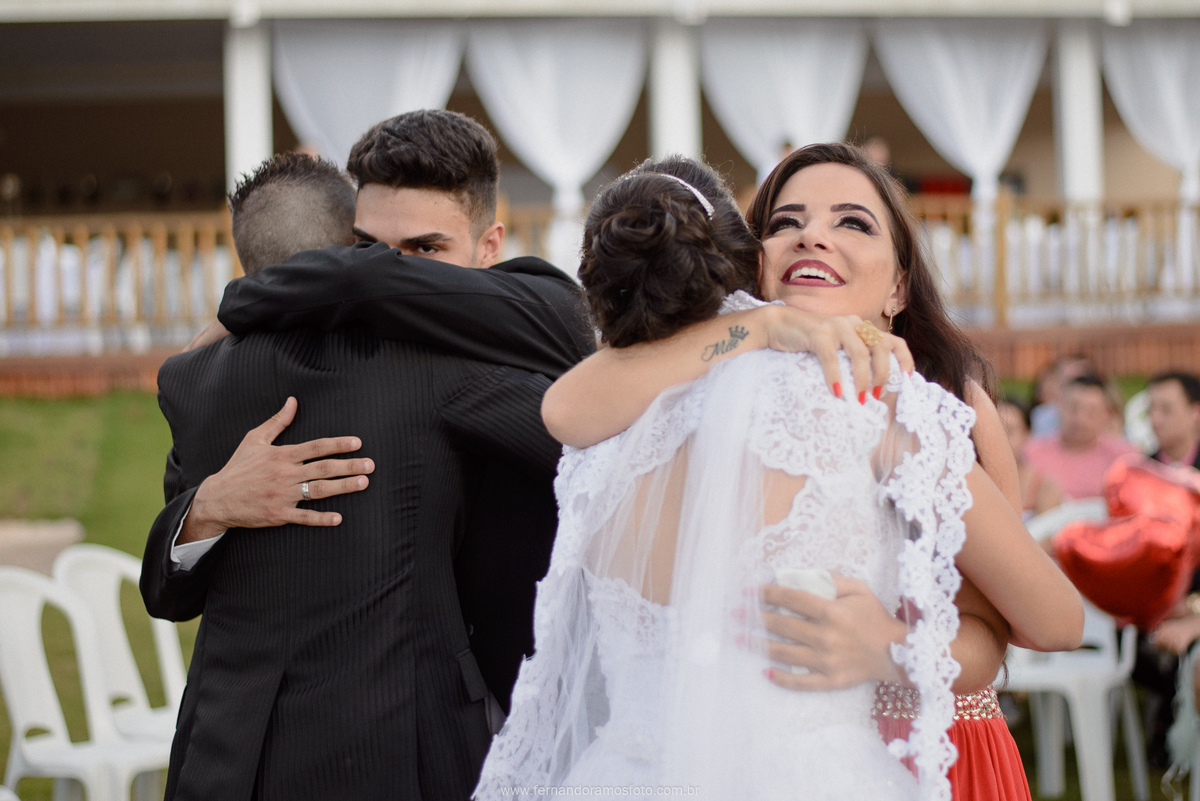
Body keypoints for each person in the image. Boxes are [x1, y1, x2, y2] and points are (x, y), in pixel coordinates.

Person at [479, 149, 1081, 799]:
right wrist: (760, 329)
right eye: (787, 220)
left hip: (928, 743)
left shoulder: (911, 407)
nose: (813, 233)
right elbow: (564, 410)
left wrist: (886, 644)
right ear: (753, 264)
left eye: (853, 222)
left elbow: (1044, 620)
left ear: (900, 287)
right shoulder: (653, 397)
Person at [141, 116, 596, 799]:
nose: (397, 278)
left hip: (229, 758)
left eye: (421, 251)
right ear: (344, 247)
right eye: (374, 254)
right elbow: (591, 441)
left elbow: (166, 594)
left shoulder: (190, 377)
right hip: (392, 747)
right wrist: (207, 506)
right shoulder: (435, 365)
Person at [1024, 373, 1139, 500]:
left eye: (1091, 412)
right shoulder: (1031, 453)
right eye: (1073, 408)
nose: (1080, 419)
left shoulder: (1124, 459)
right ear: (1058, 406)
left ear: (1106, 414)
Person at [997, 397, 1064, 519]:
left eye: (1009, 431)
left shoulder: (1045, 487)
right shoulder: (971, 479)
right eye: (995, 429)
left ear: (1026, 434)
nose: (1001, 438)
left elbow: (1045, 533)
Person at [1148, 372, 1200, 470]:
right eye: (1151, 408)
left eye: (1166, 409)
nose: (1155, 419)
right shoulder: (1141, 472)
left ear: (1195, 412)